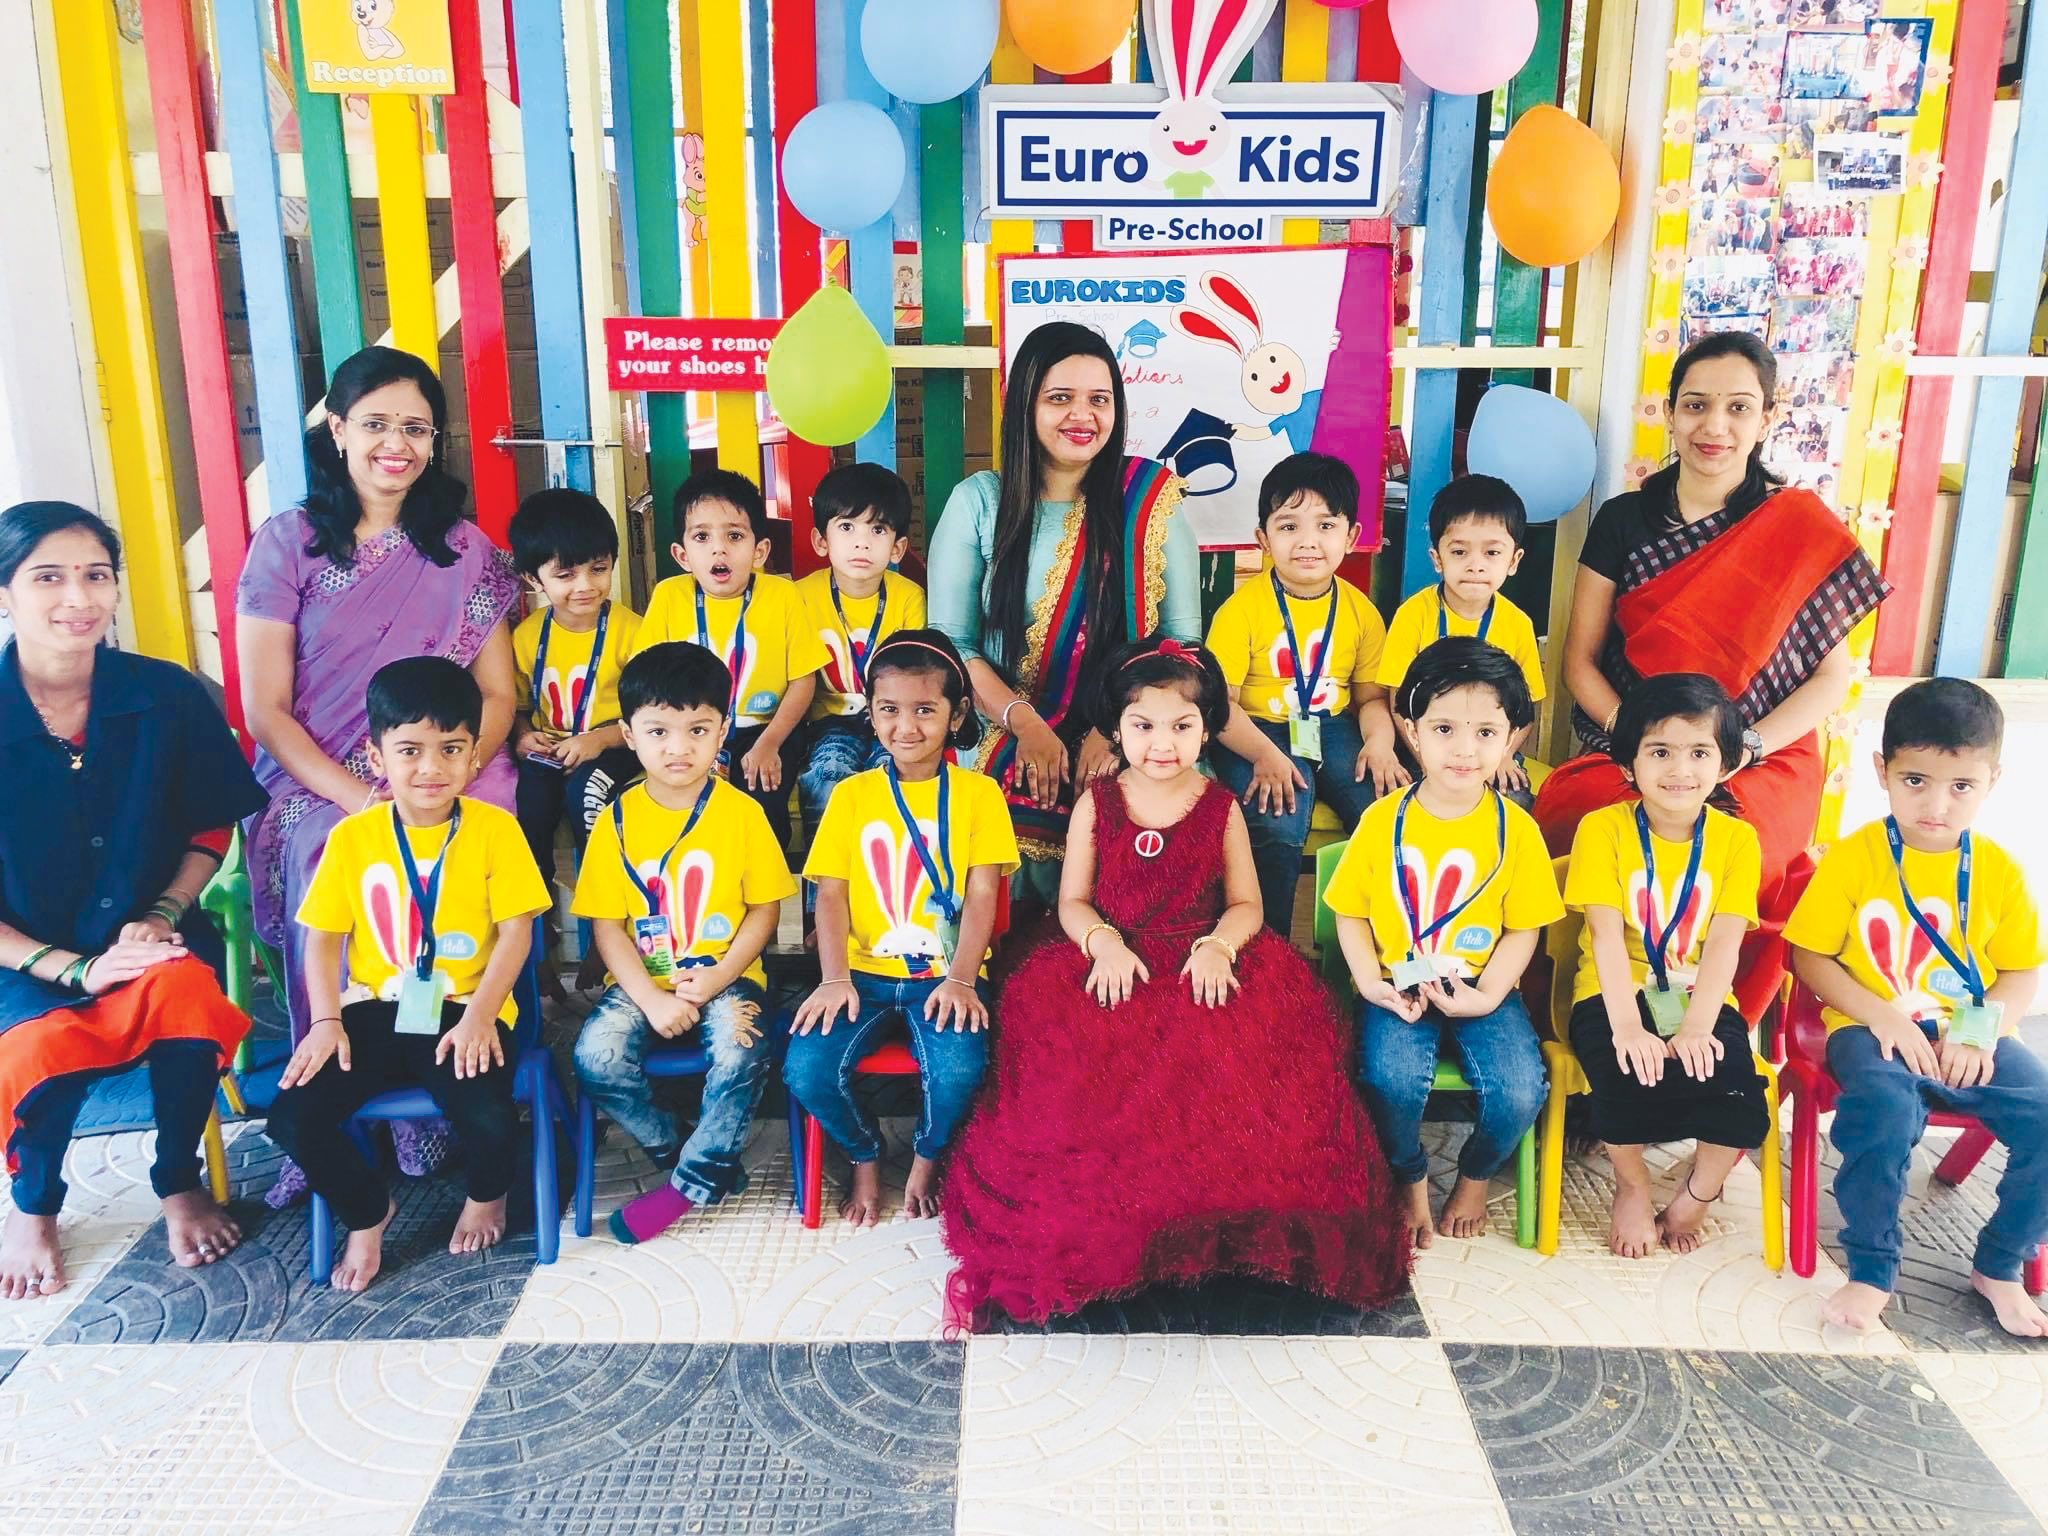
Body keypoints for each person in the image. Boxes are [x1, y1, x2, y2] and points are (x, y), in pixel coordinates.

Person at [941, 636, 1412, 1328]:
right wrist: (1101, 943)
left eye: (1183, 727)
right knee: (1081, 1068)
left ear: (1206, 727)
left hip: (1203, 954)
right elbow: (1073, 901)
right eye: (1144, 726)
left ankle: (1220, 1238)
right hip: (1113, 955)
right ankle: (1129, 1240)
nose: (1163, 743)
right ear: (1118, 729)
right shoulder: (1097, 802)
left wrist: (1221, 945)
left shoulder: (1220, 805)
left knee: (1241, 1065)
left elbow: (1247, 903)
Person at [237, 347, 523, 1189]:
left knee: (477, 842)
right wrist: (368, 794)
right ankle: (335, 1062)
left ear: (435, 441)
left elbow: (498, 694)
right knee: (335, 853)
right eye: (375, 424)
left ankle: (467, 1056)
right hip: (323, 773)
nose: (395, 443)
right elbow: (267, 711)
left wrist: (450, 770)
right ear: (336, 430)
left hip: (454, 766)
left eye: (415, 427)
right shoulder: (289, 543)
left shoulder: (465, 550)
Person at [1540, 331, 1887, 1019]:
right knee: (1572, 820)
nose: (1714, 427)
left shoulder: (1798, 527)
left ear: (1768, 417)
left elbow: (1828, 680)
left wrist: (1741, 747)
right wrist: (1644, 745)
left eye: (1738, 407)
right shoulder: (1623, 521)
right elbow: (1579, 661)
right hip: (1634, 744)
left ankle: (1709, 1034)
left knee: (1741, 850)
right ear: (1668, 412)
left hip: (1762, 757)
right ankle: (1582, 1026)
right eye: (1696, 405)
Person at [0, 502, 262, 1299]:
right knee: (38, 1049)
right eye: (49, 577)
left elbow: (209, 821)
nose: (77, 597)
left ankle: (177, 1178)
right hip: (23, 954)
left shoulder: (164, 695)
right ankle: (34, 1205)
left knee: (186, 995)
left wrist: (161, 917)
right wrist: (71, 969)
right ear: (7, 592)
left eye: (95, 576)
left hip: (150, 937)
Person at [264, 658, 551, 1292]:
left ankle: (488, 1194)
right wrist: (324, 1022)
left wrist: (481, 1016)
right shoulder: (353, 838)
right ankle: (368, 1213)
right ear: (376, 756)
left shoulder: (496, 831)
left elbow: (517, 934)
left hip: (462, 1009)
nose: (430, 768)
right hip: (370, 1010)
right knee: (291, 1119)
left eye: (450, 749)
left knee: (488, 1117)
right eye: (410, 750)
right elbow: (322, 940)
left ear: (475, 754)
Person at [1786, 679, 2048, 1338]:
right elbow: (1808, 959)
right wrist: (1882, 1015)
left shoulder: (1998, 871)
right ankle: (1872, 1269)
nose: (1936, 804)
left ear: (1992, 780)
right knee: (1885, 1111)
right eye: (1916, 780)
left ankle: (2001, 1263)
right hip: (1869, 1029)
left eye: (1961, 785)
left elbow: (2021, 969)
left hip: (1967, 1033)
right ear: (1882, 771)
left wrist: (1978, 1031)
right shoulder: (1853, 859)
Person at [927, 321, 1200, 904]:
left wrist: (1114, 730)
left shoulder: (1150, 499)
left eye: (1099, 399)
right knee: (998, 820)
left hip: (1134, 727)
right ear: (1025, 405)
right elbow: (953, 647)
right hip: (1002, 723)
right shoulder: (979, 501)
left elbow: (1183, 647)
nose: (1083, 416)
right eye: (1060, 398)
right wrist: (1028, 726)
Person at [1325, 639, 1559, 1248]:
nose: (1464, 748)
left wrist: (1487, 997)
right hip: (1397, 983)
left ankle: (1476, 1175)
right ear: (1411, 729)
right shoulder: (1381, 821)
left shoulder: (1519, 830)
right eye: (1445, 727)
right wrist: (1371, 984)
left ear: (1513, 739)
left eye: (1486, 732)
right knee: (1389, 1079)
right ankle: (1407, 1174)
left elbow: (1522, 928)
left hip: (1482, 985)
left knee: (1520, 1088)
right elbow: (1349, 914)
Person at [786, 631, 1018, 1225]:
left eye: (924, 710)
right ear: (871, 712)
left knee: (961, 1069)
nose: (905, 727)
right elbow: (830, 894)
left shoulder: (979, 794)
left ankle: (926, 1158)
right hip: (860, 976)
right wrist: (834, 978)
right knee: (805, 1069)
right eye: (888, 710)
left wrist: (964, 979)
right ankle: (864, 1155)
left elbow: (983, 891)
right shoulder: (851, 795)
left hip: (946, 977)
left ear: (956, 713)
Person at [573, 643, 797, 1245]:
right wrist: (648, 997)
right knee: (594, 1058)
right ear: (628, 734)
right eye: (658, 731)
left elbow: (765, 909)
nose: (679, 747)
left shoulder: (744, 814)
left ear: (722, 729)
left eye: (698, 729)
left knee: (740, 1049)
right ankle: (686, 1148)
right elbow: (607, 927)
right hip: (643, 982)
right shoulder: (615, 820)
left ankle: (686, 1187)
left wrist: (721, 975)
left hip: (726, 977)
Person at [1563, 674, 1772, 1259]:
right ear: (1629, 763)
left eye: (1700, 752)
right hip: (1612, 994)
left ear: (1726, 764)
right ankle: (1630, 1186)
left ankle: (1697, 1195)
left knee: (1739, 1100)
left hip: (1701, 995)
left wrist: (1700, 1026)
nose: (1680, 769)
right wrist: (1628, 1026)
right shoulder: (1602, 829)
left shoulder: (1737, 841)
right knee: (1622, 1077)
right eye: (1659, 751)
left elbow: (1726, 945)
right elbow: (1604, 936)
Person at [1206, 453, 1391, 933]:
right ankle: (1267, 951)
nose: (1308, 542)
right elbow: (1216, 706)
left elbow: (1371, 699)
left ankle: (1381, 948)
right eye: (1289, 527)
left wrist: (1381, 743)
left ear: (1351, 537)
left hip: (1333, 727)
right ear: (1263, 540)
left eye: (1326, 525)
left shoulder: (1362, 612)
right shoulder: (1241, 611)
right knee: (1277, 820)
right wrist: (1265, 753)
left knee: (1386, 811)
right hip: (1255, 730)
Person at [632, 468, 826, 849]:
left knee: (765, 802)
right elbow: (647, 675)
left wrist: (770, 744)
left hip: (766, 729)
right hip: (689, 730)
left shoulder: (782, 596)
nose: (719, 549)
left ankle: (766, 889)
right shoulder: (670, 596)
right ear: (682, 555)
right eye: (702, 537)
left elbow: (803, 680)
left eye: (734, 536)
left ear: (760, 551)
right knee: (692, 807)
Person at [1375, 475, 1548, 806]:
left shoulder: (1517, 625)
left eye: (1492, 552)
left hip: (1490, 749)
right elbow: (1397, 699)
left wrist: (1503, 755)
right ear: (1437, 559)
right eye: (1459, 551)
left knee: (1515, 800)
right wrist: (1427, 760)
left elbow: (1526, 711)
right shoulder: (1413, 615)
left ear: (1513, 561)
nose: (1475, 566)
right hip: (1421, 746)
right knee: (1399, 799)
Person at [508, 488, 643, 884]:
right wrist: (522, 736)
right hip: (551, 748)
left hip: (618, 745)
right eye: (565, 575)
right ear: (533, 578)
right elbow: (517, 707)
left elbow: (651, 714)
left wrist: (597, 741)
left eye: (598, 569)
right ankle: (537, 898)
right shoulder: (527, 637)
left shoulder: (633, 631)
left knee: (586, 792)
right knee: (530, 797)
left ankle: (602, 897)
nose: (585, 585)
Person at [793, 463, 927, 839]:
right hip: (828, 723)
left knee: (894, 782)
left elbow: (916, 676)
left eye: (878, 529)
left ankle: (888, 884)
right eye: (847, 527)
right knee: (828, 777)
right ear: (822, 541)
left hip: (893, 719)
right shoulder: (799, 597)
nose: (861, 542)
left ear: (898, 547)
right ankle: (825, 890)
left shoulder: (909, 599)